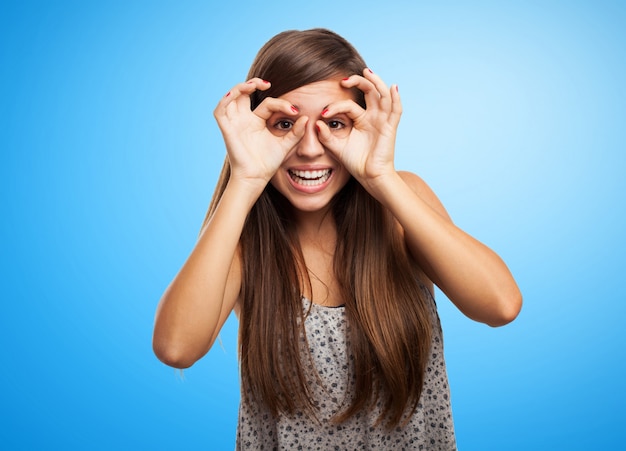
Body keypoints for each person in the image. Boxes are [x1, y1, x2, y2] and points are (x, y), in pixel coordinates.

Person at [152, 28, 522, 450]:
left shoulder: (402, 205)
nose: (310, 148)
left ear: (362, 124)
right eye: (285, 124)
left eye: (335, 123)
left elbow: (501, 305)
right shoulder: (241, 239)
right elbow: (176, 348)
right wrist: (245, 179)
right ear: (255, 128)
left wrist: (380, 176)